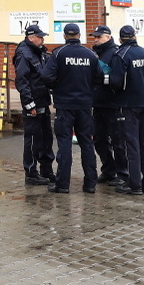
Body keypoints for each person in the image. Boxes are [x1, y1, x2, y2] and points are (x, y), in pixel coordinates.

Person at [40, 22, 98, 194]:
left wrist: (58, 86)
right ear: (79, 35)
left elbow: (46, 76)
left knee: (65, 144)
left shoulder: (59, 54)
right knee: (87, 143)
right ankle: (90, 184)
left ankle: (62, 184)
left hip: (65, 106)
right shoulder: (90, 54)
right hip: (85, 106)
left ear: (65, 36)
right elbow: (99, 77)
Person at [108, 25, 144, 195]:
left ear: (121, 39)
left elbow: (116, 82)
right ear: (135, 36)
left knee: (132, 145)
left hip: (128, 106)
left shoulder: (121, 55)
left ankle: (134, 184)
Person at [12, 23, 55, 185]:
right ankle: (31, 173)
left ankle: (46, 170)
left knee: (46, 137)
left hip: (42, 99)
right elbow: (22, 81)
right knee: (32, 138)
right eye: (40, 37)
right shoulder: (24, 54)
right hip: (33, 103)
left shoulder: (39, 52)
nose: (42, 39)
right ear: (31, 37)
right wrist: (29, 104)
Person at [89, 25, 124, 185]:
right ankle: (109, 170)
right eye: (94, 37)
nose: (95, 39)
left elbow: (117, 79)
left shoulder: (115, 53)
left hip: (113, 105)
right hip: (98, 104)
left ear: (108, 37)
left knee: (118, 141)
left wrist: (99, 78)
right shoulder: (96, 54)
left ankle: (122, 173)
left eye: (99, 37)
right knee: (99, 139)